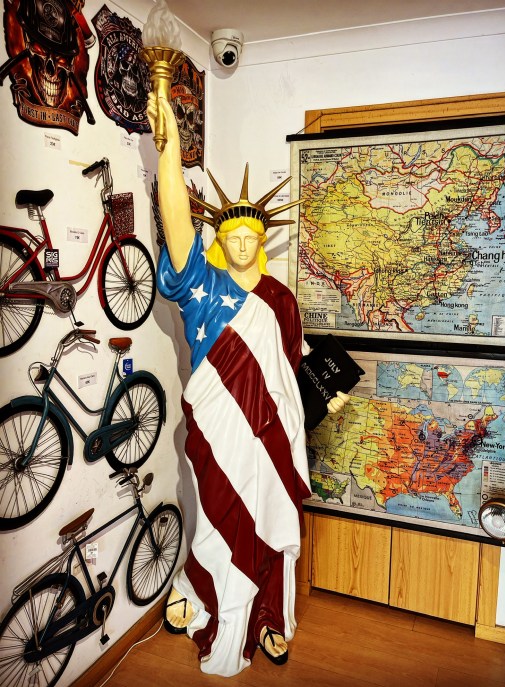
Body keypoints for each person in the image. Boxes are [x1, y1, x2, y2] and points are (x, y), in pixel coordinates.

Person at [147, 93, 348, 677]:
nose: (241, 243)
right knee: (216, 516)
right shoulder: (204, 288)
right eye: (231, 234)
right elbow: (177, 225)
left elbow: (291, 365)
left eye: (250, 235)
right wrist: (169, 150)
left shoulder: (280, 299)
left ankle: (267, 616)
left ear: (261, 240)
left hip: (271, 435)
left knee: (270, 520)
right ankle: (203, 591)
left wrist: (327, 392)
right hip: (218, 430)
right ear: (221, 239)